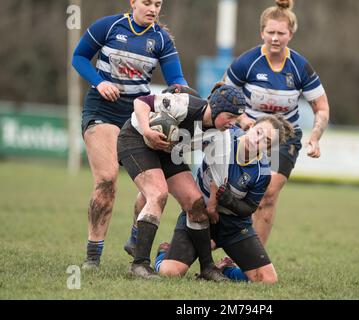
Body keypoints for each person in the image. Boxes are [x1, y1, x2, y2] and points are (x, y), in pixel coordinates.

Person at [72, 0, 189, 269]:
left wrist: (182, 93)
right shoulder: (109, 26)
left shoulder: (161, 40)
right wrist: (99, 82)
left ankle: (136, 237)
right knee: (107, 179)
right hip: (103, 109)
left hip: (139, 116)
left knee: (155, 189)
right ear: (133, 2)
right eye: (147, 2)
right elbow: (79, 57)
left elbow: (177, 79)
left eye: (158, 4)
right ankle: (93, 256)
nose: (153, 8)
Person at [223, 0, 330, 246]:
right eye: (270, 32)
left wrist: (315, 136)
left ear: (290, 35)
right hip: (247, 134)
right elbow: (222, 95)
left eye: (281, 33)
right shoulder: (246, 62)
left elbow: (321, 107)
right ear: (262, 32)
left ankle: (252, 260)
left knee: (268, 194)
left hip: (283, 137)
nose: (274, 38)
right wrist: (241, 118)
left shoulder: (300, 66)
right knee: (231, 191)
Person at [117, 84, 247, 280]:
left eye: (236, 119)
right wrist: (147, 131)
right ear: (217, 108)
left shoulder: (222, 136)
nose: (232, 123)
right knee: (157, 193)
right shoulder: (186, 104)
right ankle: (140, 264)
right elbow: (141, 102)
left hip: (169, 151)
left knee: (195, 202)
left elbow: (218, 178)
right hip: (136, 139)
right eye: (230, 117)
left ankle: (207, 268)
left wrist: (211, 204)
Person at [154, 115, 294, 284]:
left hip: (233, 227)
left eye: (267, 141)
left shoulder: (262, 173)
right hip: (199, 214)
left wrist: (230, 201)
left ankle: (226, 269)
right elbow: (199, 126)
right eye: (259, 132)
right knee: (170, 272)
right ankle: (164, 252)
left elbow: (249, 208)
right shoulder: (224, 134)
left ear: (269, 149)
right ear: (250, 126)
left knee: (268, 280)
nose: (258, 140)